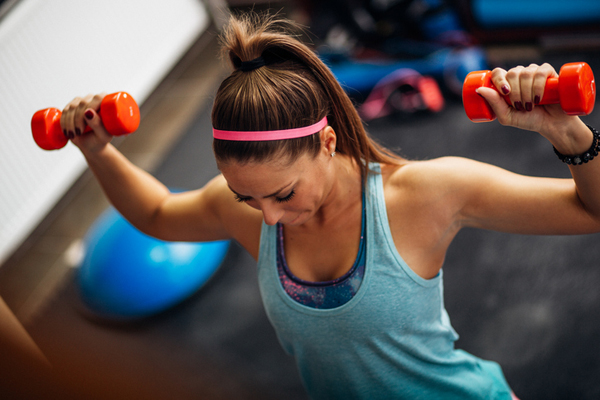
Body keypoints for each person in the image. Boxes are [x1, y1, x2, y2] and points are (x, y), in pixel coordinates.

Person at [58, 12, 600, 400]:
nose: (265, 217)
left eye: (283, 193)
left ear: (327, 142)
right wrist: (94, 148)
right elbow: (155, 216)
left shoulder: (425, 194)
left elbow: (590, 213)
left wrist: (569, 134)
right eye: (248, 197)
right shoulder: (247, 210)